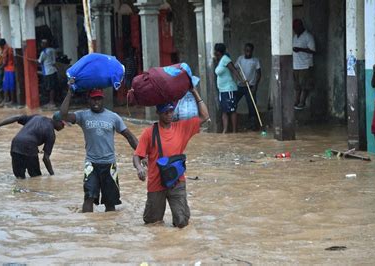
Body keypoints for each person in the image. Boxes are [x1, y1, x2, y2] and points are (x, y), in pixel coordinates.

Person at [132, 86, 209, 228]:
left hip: (177, 182)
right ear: (158, 113)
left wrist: (194, 92)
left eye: (171, 111)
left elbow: (205, 116)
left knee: (182, 223)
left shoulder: (182, 128)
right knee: (152, 224)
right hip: (156, 183)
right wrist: (139, 168)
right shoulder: (149, 133)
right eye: (165, 112)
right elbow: (137, 155)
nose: (169, 114)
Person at [60, 88, 139, 213]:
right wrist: (69, 92)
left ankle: (108, 228)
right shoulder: (82, 116)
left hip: (109, 165)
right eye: (93, 99)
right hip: (91, 164)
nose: (96, 102)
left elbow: (129, 136)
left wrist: (142, 153)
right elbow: (63, 115)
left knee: (110, 202)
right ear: (89, 100)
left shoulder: (113, 117)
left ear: (103, 100)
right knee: (89, 197)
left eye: (99, 99)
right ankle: (88, 228)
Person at [0, 113, 65, 178]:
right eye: (63, 124)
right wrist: (52, 175)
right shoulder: (51, 133)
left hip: (15, 144)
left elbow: (16, 117)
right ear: (57, 121)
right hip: (29, 147)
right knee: (36, 178)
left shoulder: (36, 117)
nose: (63, 127)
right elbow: (46, 158)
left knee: (19, 179)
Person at [214, 43, 243, 133]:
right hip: (222, 90)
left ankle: (234, 131)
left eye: (215, 51)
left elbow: (234, 70)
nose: (214, 52)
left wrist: (241, 80)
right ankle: (225, 130)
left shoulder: (226, 59)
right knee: (224, 111)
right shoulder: (219, 60)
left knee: (232, 110)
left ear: (218, 52)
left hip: (229, 89)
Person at [235, 43, 262, 130]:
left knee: (252, 106)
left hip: (250, 86)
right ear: (244, 50)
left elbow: (259, 74)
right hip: (240, 86)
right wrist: (239, 79)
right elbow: (234, 69)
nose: (248, 53)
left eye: (250, 51)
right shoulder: (240, 59)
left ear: (252, 51)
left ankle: (253, 125)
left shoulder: (255, 61)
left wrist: (255, 86)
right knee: (233, 102)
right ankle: (233, 123)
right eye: (247, 51)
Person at [292, 19, 316, 110]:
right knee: (297, 86)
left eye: (296, 28)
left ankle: (302, 102)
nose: (295, 30)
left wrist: (300, 49)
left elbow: (313, 51)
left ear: (301, 26)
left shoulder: (308, 36)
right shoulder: (295, 37)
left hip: (305, 65)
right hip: (296, 65)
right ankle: (296, 102)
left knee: (305, 86)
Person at [38, 39, 58, 107]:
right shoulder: (53, 50)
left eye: (42, 43)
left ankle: (51, 102)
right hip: (54, 70)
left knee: (50, 88)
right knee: (53, 87)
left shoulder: (43, 52)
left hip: (48, 72)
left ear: (45, 44)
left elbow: (39, 61)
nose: (41, 45)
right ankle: (52, 101)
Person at [0, 39, 16, 105]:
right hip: (12, 69)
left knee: (6, 85)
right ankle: (10, 100)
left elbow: (4, 62)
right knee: (10, 85)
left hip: (8, 70)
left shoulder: (5, 50)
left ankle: (7, 100)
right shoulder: (10, 48)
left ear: (1, 45)